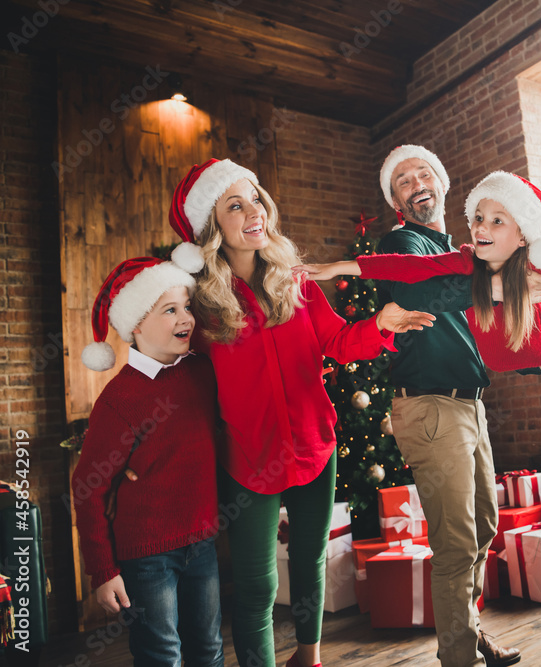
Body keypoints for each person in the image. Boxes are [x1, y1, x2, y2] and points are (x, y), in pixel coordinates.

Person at [167, 158, 434, 667]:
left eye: (256, 199)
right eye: (235, 205)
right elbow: (183, 385)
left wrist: (381, 322)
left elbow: (337, 340)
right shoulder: (200, 307)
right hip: (248, 456)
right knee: (258, 584)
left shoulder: (297, 284)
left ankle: (307, 658)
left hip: (315, 443)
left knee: (310, 560)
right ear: (212, 228)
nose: (254, 212)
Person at [359, 145, 523, 667]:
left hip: (468, 406)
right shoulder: (402, 243)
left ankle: (468, 633)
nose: (416, 184)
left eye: (423, 174)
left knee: (484, 527)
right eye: (403, 181)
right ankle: (458, 657)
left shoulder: (456, 247)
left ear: (443, 184)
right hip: (430, 407)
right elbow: (424, 299)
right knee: (456, 542)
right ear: (396, 201)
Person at [296, 170, 541, 389]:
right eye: (479, 217)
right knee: (533, 361)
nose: (481, 227)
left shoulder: (535, 262)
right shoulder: (467, 260)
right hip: (499, 353)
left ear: (523, 234)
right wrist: (338, 268)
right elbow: (404, 267)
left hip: (539, 336)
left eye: (497, 220)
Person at [74, 257, 224, 667]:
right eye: (170, 309)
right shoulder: (119, 400)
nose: (186, 317)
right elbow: (87, 488)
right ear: (136, 325)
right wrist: (103, 571)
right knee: (161, 655)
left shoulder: (202, 372)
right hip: (145, 557)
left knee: (209, 651)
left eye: (187, 306)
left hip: (202, 545)